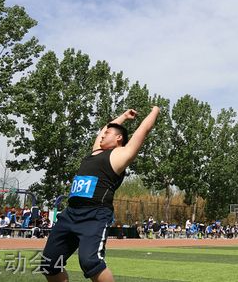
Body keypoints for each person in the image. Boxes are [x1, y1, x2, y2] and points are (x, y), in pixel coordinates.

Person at [42, 107, 160, 282]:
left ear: (118, 138)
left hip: (94, 215)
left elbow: (143, 130)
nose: (103, 134)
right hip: (70, 213)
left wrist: (155, 111)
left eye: (108, 133)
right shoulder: (96, 151)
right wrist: (124, 117)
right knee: (49, 264)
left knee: (90, 262)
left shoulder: (120, 155)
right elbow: (105, 128)